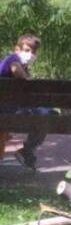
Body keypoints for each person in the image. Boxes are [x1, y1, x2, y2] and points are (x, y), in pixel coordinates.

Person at [0, 33, 53, 171]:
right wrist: (27, 78)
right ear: (17, 49)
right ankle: (27, 151)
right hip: (7, 112)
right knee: (46, 114)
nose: (30, 54)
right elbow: (16, 70)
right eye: (27, 50)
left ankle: (28, 151)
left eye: (33, 51)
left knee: (45, 113)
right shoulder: (13, 59)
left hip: (9, 111)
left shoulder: (20, 63)